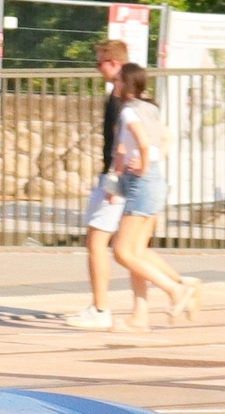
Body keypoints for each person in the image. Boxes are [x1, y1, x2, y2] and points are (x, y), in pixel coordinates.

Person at [109, 63, 201, 330]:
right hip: (154, 180)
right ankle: (140, 316)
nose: (114, 84)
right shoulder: (150, 107)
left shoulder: (128, 111)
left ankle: (175, 290)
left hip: (143, 182)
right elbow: (164, 137)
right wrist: (148, 161)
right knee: (137, 251)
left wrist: (144, 163)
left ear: (127, 84)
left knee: (122, 251)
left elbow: (143, 141)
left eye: (117, 80)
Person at [67, 38, 131, 331]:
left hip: (115, 179)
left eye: (100, 61)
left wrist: (113, 182)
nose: (97, 68)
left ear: (114, 64)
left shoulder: (120, 97)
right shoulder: (132, 94)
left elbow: (121, 145)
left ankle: (101, 308)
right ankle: (175, 287)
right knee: (130, 249)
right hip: (126, 179)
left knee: (96, 243)